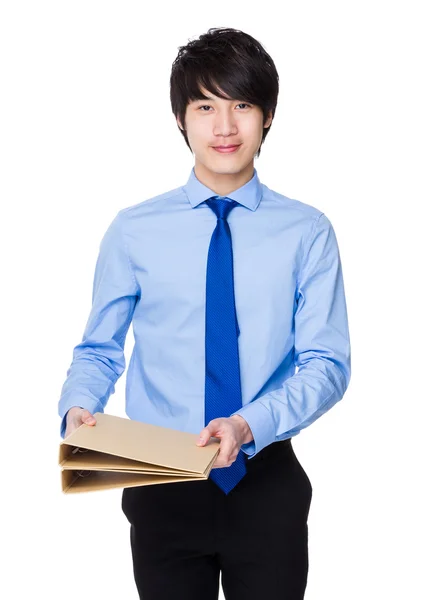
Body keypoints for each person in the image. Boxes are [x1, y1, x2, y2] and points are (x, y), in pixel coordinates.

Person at [58, 26, 351, 600]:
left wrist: (247, 425)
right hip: (160, 478)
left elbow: (327, 364)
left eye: (241, 105)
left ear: (266, 116)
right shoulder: (134, 230)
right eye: (205, 106)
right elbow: (100, 348)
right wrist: (77, 407)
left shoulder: (307, 232)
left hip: (264, 479)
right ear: (180, 118)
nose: (224, 126)